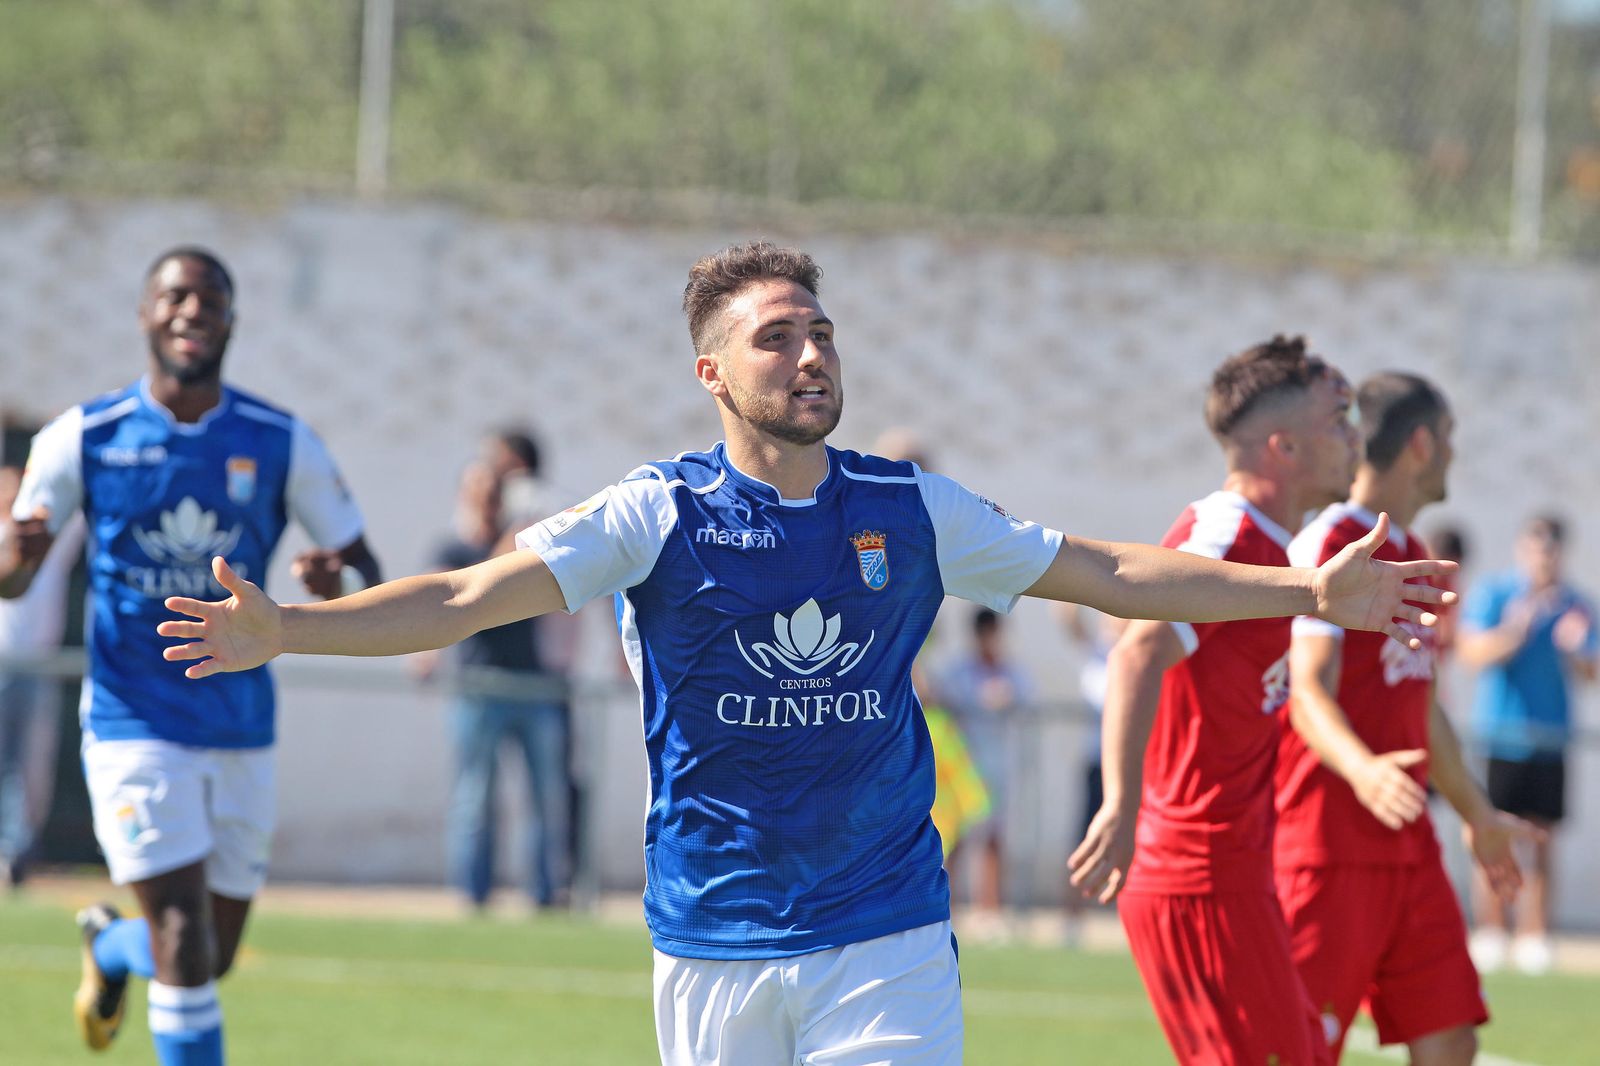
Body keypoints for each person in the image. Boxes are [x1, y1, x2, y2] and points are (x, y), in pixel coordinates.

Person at [158, 244, 1452, 1066]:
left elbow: (1109, 570)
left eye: (822, 330)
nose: (811, 352)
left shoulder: (910, 507)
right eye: (777, 335)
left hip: (882, 927)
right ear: (712, 369)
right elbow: (465, 593)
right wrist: (288, 629)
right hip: (711, 937)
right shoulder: (652, 513)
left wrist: (1304, 587)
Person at [0, 247, 381, 1066]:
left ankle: (106, 948)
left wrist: (330, 576)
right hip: (131, 718)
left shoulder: (280, 440)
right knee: (179, 930)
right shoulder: (84, 435)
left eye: (209, 300)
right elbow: (10, 580)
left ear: (231, 322)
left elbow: (363, 569)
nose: (190, 311)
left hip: (241, 721)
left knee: (212, 952)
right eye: (173, 297)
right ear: (145, 314)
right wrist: (18, 552)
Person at [1069, 335, 1362, 1065]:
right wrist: (1120, 803)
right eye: (1339, 420)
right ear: (1284, 448)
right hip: (1194, 878)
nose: (1356, 438)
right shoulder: (1226, 532)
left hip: (1235, 876)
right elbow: (1137, 645)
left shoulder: (1274, 547)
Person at [1276, 372, 1542, 1062]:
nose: (1455, 452)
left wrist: (1477, 815)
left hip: (1409, 847)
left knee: (1451, 1038)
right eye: (1449, 437)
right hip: (1328, 849)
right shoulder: (1327, 546)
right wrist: (1364, 772)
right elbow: (1307, 690)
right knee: (1303, 1049)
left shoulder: (1419, 557)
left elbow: (1422, 705)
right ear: (1422, 444)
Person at [417, 453, 572, 911]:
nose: (487, 498)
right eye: (479, 489)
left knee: (545, 796)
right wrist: (427, 655)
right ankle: (473, 893)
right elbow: (461, 594)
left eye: (494, 490)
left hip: (532, 684)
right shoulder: (454, 550)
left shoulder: (523, 545)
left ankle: (544, 893)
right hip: (479, 686)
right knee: (474, 798)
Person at [1459, 514, 1598, 974]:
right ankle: (1492, 930)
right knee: (1493, 834)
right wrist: (1514, 630)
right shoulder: (1497, 595)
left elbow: (1591, 675)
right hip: (1501, 736)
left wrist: (1578, 649)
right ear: (1524, 549)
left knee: (1542, 841)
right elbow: (1472, 653)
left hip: (1549, 739)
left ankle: (1534, 934)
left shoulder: (1575, 605)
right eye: (1538, 548)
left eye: (1553, 549)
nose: (1545, 558)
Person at [0, 465, 85, 888]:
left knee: (29, 766)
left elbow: (77, 516)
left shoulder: (43, 545)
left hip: (38, 666)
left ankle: (14, 852)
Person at [935, 607, 1034, 922]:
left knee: (993, 836)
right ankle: (946, 904)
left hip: (997, 763)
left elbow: (1026, 697)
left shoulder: (1008, 671)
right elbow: (942, 699)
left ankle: (989, 907)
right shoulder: (960, 671)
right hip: (965, 764)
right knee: (957, 835)